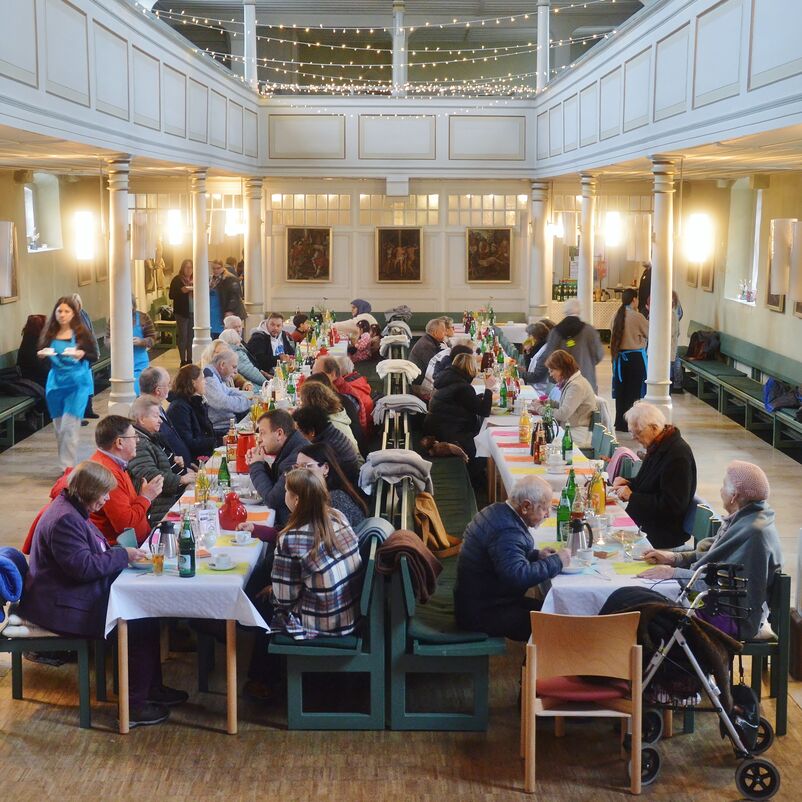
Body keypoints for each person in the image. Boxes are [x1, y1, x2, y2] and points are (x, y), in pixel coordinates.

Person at [19, 460, 187, 726]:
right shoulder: (65, 520)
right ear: (87, 492)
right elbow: (83, 568)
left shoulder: (72, 509)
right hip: (60, 607)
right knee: (139, 621)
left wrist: (119, 555)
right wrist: (121, 555)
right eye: (104, 494)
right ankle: (133, 708)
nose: (107, 499)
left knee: (146, 616)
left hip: (66, 593)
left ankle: (150, 690)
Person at [244, 468, 363, 699]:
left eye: (287, 492)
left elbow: (285, 599)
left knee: (262, 606)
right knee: (269, 594)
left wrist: (272, 591)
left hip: (323, 622)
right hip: (349, 611)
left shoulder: (291, 537)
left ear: (296, 499)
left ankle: (262, 681)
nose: (284, 496)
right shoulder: (336, 516)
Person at [639, 461, 782, 640]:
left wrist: (674, 574)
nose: (720, 490)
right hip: (723, 606)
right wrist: (675, 558)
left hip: (731, 618)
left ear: (734, 496)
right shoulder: (750, 518)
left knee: (646, 612)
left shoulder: (753, 535)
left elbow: (723, 585)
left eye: (723, 485)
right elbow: (717, 557)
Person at [454, 475, 570, 641]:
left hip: (483, 601)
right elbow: (517, 576)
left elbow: (502, 556)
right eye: (544, 508)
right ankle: (534, 666)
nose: (547, 515)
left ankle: (533, 665)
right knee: (556, 625)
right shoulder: (507, 531)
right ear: (526, 506)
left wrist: (537, 555)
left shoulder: (498, 511)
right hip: (482, 613)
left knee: (555, 612)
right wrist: (557, 561)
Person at [611, 402, 696, 549]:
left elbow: (673, 506)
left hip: (661, 534)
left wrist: (632, 496)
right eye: (632, 432)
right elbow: (650, 484)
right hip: (647, 524)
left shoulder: (677, 456)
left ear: (654, 428)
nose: (634, 438)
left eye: (637, 433)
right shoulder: (658, 445)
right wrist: (628, 483)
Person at [38, 296, 97, 470]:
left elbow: (93, 355)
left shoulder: (81, 334)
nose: (62, 315)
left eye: (66, 311)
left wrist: (82, 355)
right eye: (59, 311)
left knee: (68, 428)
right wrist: (42, 356)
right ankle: (66, 464)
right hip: (55, 384)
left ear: (73, 314)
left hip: (77, 384)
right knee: (59, 430)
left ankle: (67, 469)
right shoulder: (49, 334)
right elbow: (44, 359)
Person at [423, 352, 497, 487]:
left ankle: (480, 480)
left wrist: (480, 397)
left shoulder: (448, 378)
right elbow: (484, 411)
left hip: (438, 426)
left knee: (482, 441)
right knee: (483, 448)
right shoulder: (462, 387)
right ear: (470, 368)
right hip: (449, 432)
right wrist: (489, 389)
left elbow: (465, 402)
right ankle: (476, 483)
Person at [89, 415, 164, 544]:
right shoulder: (108, 473)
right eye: (134, 437)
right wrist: (146, 498)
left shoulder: (115, 464)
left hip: (138, 541)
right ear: (119, 442)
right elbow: (125, 525)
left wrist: (142, 496)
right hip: (125, 550)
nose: (138, 441)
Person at [128, 396, 195, 525]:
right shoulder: (139, 443)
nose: (160, 421)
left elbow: (158, 464)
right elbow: (150, 476)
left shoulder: (149, 438)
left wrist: (173, 462)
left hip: (164, 503)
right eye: (155, 417)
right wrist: (181, 479)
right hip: (157, 511)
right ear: (142, 419)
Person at [526, 299, 604, 393]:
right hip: (586, 378)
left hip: (562, 381)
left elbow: (549, 357)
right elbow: (599, 354)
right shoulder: (589, 331)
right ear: (579, 311)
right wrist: (587, 363)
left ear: (565, 311)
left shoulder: (555, 332)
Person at [247, 409, 309, 527]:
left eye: (262, 433)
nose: (259, 439)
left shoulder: (297, 458)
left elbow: (273, 500)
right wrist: (260, 463)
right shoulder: (293, 446)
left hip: (292, 526)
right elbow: (276, 484)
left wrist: (256, 466)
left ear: (279, 433)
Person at [530, 350, 597, 448]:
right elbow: (566, 406)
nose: (551, 374)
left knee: (540, 442)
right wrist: (547, 402)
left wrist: (539, 408)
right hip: (571, 429)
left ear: (562, 368)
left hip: (577, 434)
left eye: (552, 371)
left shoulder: (576, 386)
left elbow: (563, 414)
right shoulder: (573, 382)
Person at [292, 405, 363, 485]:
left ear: (312, 432)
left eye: (300, 431)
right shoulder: (331, 432)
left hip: (343, 483)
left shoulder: (326, 446)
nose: (299, 435)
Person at [610, 288, 649, 431]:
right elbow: (649, 332)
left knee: (621, 391)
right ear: (634, 299)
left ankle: (620, 422)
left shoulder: (616, 315)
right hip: (634, 358)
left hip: (619, 359)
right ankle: (629, 423)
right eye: (637, 299)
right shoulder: (637, 317)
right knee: (633, 392)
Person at [138, 366, 192, 468]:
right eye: (168, 384)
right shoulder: (147, 415)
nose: (170, 388)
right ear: (158, 390)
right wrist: (181, 475)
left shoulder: (157, 406)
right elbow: (161, 452)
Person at [166, 364, 216, 462]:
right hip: (193, 460)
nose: (205, 382)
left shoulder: (195, 401)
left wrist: (222, 437)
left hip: (203, 453)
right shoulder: (180, 408)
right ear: (193, 383)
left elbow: (205, 432)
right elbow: (188, 442)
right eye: (202, 379)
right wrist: (216, 441)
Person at [298, 377, 360, 454]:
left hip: (349, 464)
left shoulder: (329, 425)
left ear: (310, 405)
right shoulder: (335, 415)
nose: (300, 406)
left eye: (302, 402)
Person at [313, 355, 372, 435]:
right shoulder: (340, 387)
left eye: (318, 375)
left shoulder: (343, 397)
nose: (314, 379)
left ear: (333, 374)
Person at [202, 346, 252, 437]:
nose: (236, 372)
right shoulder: (209, 377)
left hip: (227, 425)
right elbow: (221, 402)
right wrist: (249, 401)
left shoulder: (215, 375)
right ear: (222, 365)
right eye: (234, 367)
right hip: (220, 430)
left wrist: (248, 397)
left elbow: (229, 391)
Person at [71, 294, 100, 420]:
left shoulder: (84, 315)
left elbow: (91, 333)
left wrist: (96, 351)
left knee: (88, 384)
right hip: (75, 356)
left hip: (86, 354)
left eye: (78, 304)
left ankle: (88, 410)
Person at [209, 258, 246, 338]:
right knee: (215, 335)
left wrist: (230, 310)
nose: (216, 270)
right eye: (214, 268)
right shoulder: (212, 279)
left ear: (222, 267)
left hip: (226, 311)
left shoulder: (229, 278)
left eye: (218, 268)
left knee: (228, 335)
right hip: (215, 311)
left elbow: (235, 295)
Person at [169, 258, 194, 366]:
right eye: (186, 267)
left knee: (191, 337)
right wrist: (181, 291)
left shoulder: (195, 279)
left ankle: (190, 359)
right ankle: (183, 360)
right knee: (183, 336)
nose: (189, 270)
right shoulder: (177, 280)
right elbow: (171, 295)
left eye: (191, 267)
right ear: (182, 268)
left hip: (193, 312)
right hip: (181, 312)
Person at [17, 314, 50, 388]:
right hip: (32, 380)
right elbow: (42, 369)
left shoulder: (30, 340)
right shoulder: (31, 346)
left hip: (36, 377)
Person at [670, 291, 684, 394]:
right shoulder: (677, 305)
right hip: (675, 335)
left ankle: (676, 383)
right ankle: (677, 383)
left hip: (671, 337)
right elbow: (681, 314)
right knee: (675, 359)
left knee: (674, 359)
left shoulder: (672, 311)